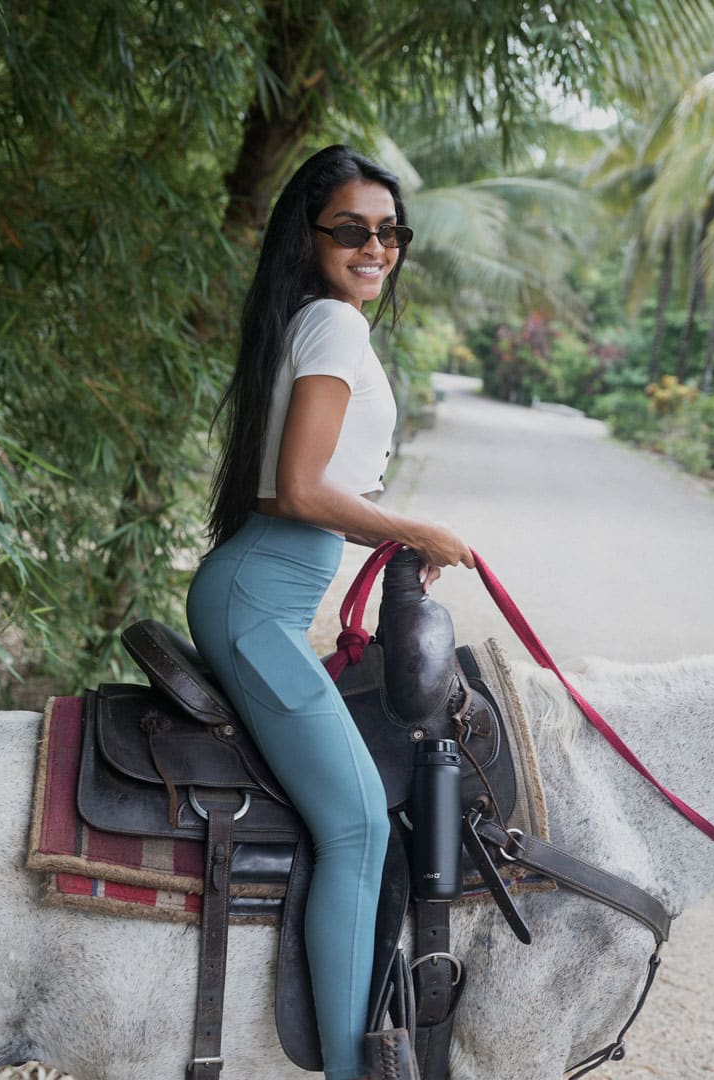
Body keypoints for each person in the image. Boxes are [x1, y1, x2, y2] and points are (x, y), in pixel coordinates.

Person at [186, 145, 475, 1080]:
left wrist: (394, 542)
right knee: (356, 825)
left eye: (390, 232)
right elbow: (304, 489)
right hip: (255, 607)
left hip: (260, 590)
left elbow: (294, 496)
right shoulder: (335, 325)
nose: (374, 248)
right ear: (307, 236)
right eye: (351, 230)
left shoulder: (319, 321)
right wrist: (414, 528)